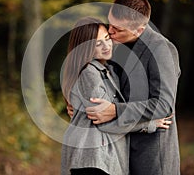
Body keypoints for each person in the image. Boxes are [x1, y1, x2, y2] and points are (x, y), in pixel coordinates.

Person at [83, 0, 181, 174]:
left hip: (151, 157)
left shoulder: (162, 49)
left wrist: (115, 110)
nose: (110, 32)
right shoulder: (116, 46)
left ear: (139, 30)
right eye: (109, 24)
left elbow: (164, 105)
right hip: (119, 152)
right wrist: (78, 103)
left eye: (117, 29)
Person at [61, 17, 173, 175]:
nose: (106, 46)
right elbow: (104, 121)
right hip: (93, 159)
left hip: (103, 159)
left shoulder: (109, 71)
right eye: (98, 43)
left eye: (107, 38)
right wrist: (149, 124)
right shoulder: (89, 74)